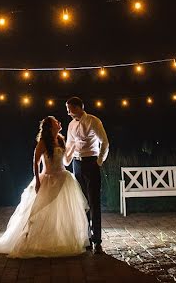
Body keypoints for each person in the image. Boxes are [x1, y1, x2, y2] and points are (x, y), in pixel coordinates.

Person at [0, 116, 89, 258]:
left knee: (61, 211)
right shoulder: (42, 142)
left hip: (63, 178)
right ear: (50, 127)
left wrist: (73, 150)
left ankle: (62, 239)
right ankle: (35, 240)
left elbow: (65, 161)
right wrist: (38, 181)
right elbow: (35, 162)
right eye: (55, 122)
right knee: (40, 211)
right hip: (47, 178)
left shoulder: (60, 139)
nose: (59, 123)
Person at [65, 96, 109, 255]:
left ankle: (97, 241)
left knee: (94, 202)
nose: (68, 111)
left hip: (91, 163)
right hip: (76, 164)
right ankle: (86, 239)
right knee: (82, 202)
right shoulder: (70, 125)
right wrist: (66, 160)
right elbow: (69, 144)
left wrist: (99, 161)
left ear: (78, 107)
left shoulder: (93, 121)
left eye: (70, 108)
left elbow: (104, 141)